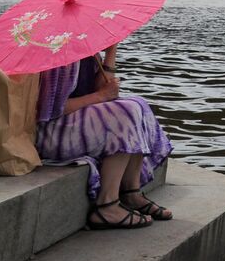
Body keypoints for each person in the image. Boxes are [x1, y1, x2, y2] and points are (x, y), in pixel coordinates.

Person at [35, 42, 175, 230]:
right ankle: (107, 206)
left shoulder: (86, 47)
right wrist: (100, 97)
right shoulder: (58, 52)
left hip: (74, 124)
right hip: (52, 133)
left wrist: (110, 51)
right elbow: (49, 110)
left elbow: (104, 89)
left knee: (137, 103)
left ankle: (131, 193)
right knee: (125, 112)